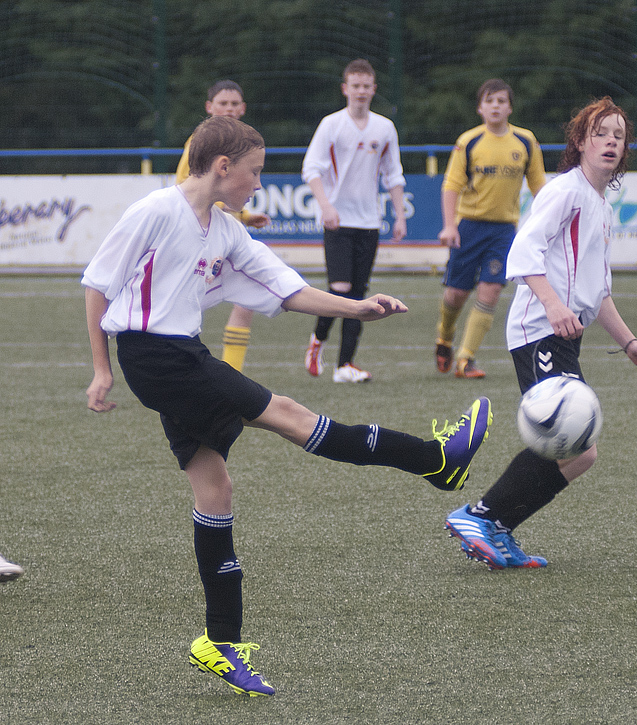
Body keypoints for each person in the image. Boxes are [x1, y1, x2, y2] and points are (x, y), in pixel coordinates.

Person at [82, 115, 492, 696]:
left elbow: (288, 287)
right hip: (156, 358)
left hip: (180, 356)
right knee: (293, 416)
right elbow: (98, 285)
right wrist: (101, 369)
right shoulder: (155, 211)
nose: (257, 183)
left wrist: (357, 309)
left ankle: (218, 644)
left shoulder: (224, 231)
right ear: (222, 167)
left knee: (214, 489)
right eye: (254, 172)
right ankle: (435, 460)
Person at [444, 97, 637, 570]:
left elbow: (598, 292)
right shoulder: (565, 190)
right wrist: (552, 304)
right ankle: (480, 516)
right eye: (600, 133)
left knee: (581, 453)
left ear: (625, 150)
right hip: (538, 330)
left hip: (563, 332)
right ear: (581, 142)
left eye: (618, 135)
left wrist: (630, 344)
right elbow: (523, 252)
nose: (609, 141)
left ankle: (495, 526)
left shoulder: (600, 207)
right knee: (572, 442)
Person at [302, 59, 407, 383]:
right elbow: (311, 168)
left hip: (369, 222)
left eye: (366, 86)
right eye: (355, 85)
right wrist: (326, 207)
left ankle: (345, 365)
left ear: (373, 89)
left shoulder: (384, 127)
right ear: (345, 89)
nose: (361, 91)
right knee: (340, 288)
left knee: (359, 294)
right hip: (338, 222)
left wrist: (399, 215)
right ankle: (318, 339)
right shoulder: (331, 124)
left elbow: (393, 174)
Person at [435, 79, 547, 379]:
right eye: (490, 101)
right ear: (480, 108)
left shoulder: (525, 141)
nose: (495, 106)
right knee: (456, 294)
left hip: (504, 231)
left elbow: (539, 186)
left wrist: (550, 221)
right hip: (468, 227)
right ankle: (445, 336)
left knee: (492, 289)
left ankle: (465, 358)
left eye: (501, 101)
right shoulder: (469, 141)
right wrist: (449, 225)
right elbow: (451, 185)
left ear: (509, 107)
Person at [176, 80, 271, 372]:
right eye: (222, 104)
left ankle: (232, 372)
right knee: (185, 302)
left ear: (242, 109)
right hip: (198, 234)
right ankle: (181, 362)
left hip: (225, 233)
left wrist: (243, 216)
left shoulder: (243, 145)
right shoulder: (199, 143)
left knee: (248, 296)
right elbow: (186, 188)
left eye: (234, 104)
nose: (229, 109)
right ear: (209, 108)